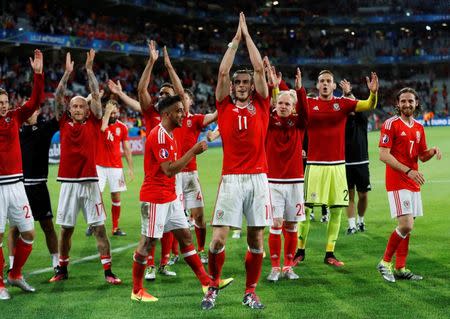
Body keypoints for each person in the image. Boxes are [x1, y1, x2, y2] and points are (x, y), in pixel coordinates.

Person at [130, 95, 232, 302]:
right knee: (148, 242)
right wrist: (192, 152)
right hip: (155, 198)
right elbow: (168, 170)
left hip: (170, 196)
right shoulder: (159, 135)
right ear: (166, 114)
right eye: (178, 111)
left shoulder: (170, 134)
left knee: (185, 237)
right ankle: (137, 291)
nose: (182, 114)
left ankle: (206, 282)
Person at [201, 13, 271, 310]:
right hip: (231, 179)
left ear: (252, 86)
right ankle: (212, 286)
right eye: (237, 82)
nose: (242, 85)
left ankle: (250, 291)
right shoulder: (223, 104)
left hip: (258, 178)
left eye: (246, 82)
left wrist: (247, 33)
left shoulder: (263, 103)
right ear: (232, 87)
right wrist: (234, 40)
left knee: (256, 240)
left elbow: (258, 67)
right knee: (217, 240)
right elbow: (221, 73)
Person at [49, 51, 121, 285]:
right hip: (68, 183)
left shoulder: (93, 121)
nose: (78, 109)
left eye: (82, 106)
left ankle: (108, 272)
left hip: (90, 182)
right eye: (75, 106)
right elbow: (58, 96)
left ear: (87, 110)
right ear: (69, 110)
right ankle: (62, 269)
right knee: (66, 230)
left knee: (99, 228)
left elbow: (98, 100)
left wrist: (89, 70)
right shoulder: (63, 121)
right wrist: (66, 75)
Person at [298, 69, 379, 267]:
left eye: (328, 81)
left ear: (334, 86)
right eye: (321, 81)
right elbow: (282, 104)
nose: (325, 84)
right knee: (306, 210)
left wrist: (373, 93)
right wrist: (292, 88)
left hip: (337, 167)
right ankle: (299, 251)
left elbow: (368, 105)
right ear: (317, 86)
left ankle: (329, 254)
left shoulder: (343, 103)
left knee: (336, 211)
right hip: (315, 166)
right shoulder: (309, 104)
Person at [377, 87, 441, 282]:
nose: (407, 104)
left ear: (416, 104)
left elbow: (420, 156)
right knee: (406, 224)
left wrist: (431, 152)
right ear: (397, 104)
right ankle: (385, 262)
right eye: (403, 101)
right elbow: (383, 155)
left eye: (410, 101)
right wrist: (408, 171)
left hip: (412, 182)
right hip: (398, 182)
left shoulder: (419, 128)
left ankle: (401, 267)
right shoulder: (390, 124)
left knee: (407, 228)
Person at [163, 46, 218, 264]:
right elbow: (177, 90)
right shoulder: (173, 119)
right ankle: (175, 253)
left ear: (190, 102)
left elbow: (215, 115)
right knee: (176, 217)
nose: (182, 101)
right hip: (175, 173)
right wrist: (168, 67)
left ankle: (202, 249)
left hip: (191, 174)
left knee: (199, 216)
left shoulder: (195, 120)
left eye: (185, 98)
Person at [0, 49, 44, 300]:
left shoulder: (15, 117)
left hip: (17, 185)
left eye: (5, 103)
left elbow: (35, 101)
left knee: (28, 233)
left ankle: (15, 274)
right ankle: (0, 284)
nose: (3, 107)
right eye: (0, 104)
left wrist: (37, 75)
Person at [265, 66, 307, 282]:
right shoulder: (268, 121)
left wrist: (299, 90)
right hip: (272, 181)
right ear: (275, 104)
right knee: (275, 224)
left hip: (295, 182)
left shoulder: (298, 124)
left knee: (291, 225)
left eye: (287, 104)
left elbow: (306, 113)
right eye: (280, 103)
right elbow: (266, 105)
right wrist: (272, 85)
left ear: (293, 107)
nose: (283, 106)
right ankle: (274, 267)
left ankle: (288, 266)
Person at [8, 106, 60, 274]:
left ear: (37, 111)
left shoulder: (44, 128)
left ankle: (56, 262)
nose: (28, 114)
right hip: (19, 186)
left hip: (38, 186)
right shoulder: (16, 130)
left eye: (31, 111)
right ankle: (12, 265)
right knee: (15, 228)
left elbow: (60, 116)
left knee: (48, 226)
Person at [96, 99, 134, 236]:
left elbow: (127, 149)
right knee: (96, 196)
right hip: (99, 165)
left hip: (116, 167)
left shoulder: (122, 127)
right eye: (110, 112)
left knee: (116, 197)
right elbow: (102, 127)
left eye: (115, 112)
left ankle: (115, 227)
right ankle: (95, 223)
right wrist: (106, 112)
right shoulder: (100, 121)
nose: (113, 115)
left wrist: (130, 168)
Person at [340, 79, 371, 234]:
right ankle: (352, 225)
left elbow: (355, 103)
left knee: (363, 195)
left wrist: (348, 93)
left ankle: (361, 220)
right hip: (344, 163)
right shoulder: (340, 120)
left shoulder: (361, 119)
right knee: (349, 195)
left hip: (361, 161)